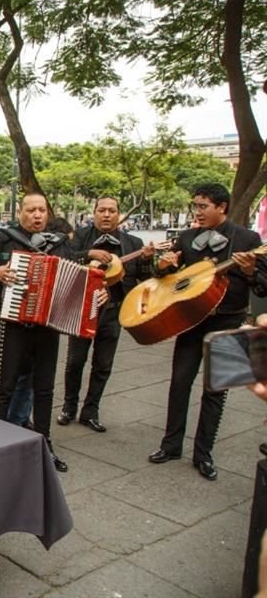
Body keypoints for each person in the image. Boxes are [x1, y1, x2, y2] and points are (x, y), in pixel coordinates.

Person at [0, 192, 93, 473]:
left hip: (48, 326)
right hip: (12, 324)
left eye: (42, 210)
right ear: (20, 212)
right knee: (5, 386)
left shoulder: (58, 243)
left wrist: (97, 288)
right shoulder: (5, 237)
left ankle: (44, 444)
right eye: (31, 210)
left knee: (44, 388)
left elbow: (79, 272)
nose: (37, 215)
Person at [147, 183, 267, 481]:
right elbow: (164, 277)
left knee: (216, 390)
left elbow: (263, 285)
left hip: (228, 322)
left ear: (222, 207)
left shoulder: (248, 239)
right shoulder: (186, 238)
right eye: (195, 206)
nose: (197, 212)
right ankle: (171, 445)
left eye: (203, 206)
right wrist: (163, 266)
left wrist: (251, 270)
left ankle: (204, 454)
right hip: (190, 321)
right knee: (179, 383)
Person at [57, 196, 156, 432]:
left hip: (114, 310)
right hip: (81, 308)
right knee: (75, 361)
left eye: (112, 210)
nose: (107, 215)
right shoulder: (79, 238)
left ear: (119, 214)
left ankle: (90, 411)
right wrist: (88, 254)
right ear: (94, 212)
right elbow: (63, 260)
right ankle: (69, 407)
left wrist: (147, 260)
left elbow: (145, 277)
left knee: (103, 363)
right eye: (102, 210)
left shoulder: (133, 242)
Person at [8, 215, 76, 428]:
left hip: (45, 329)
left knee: (32, 381)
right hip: (21, 326)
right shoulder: (23, 247)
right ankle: (16, 419)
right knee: (21, 379)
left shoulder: (59, 252)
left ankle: (22, 419)